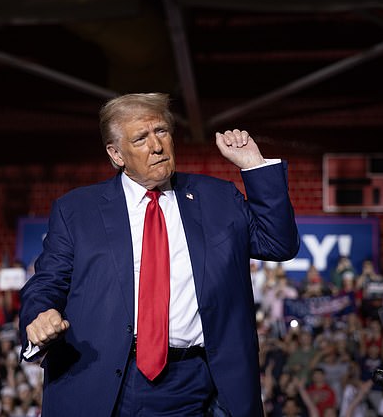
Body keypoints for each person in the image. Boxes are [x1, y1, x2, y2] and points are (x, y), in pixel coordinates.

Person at [18, 92, 299, 416]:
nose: (156, 145)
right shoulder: (77, 210)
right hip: (106, 382)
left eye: (161, 131)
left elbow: (278, 244)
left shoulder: (217, 198)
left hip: (201, 382)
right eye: (141, 138)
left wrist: (255, 168)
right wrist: (40, 316)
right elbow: (47, 282)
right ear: (116, 153)